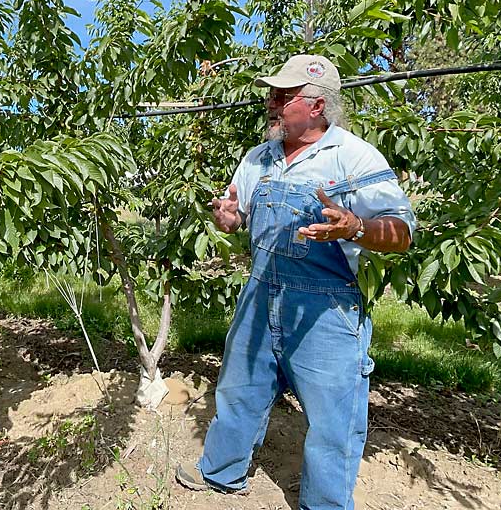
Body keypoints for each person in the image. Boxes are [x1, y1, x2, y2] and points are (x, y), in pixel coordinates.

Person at [175, 55, 415, 509]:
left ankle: (323, 503)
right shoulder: (258, 158)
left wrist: (355, 228)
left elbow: (401, 233)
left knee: (333, 418)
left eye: (283, 97)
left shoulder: (353, 156)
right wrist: (227, 218)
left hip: (325, 306)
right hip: (261, 292)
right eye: (272, 94)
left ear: (317, 106)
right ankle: (222, 473)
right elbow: (237, 215)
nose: (271, 103)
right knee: (239, 388)